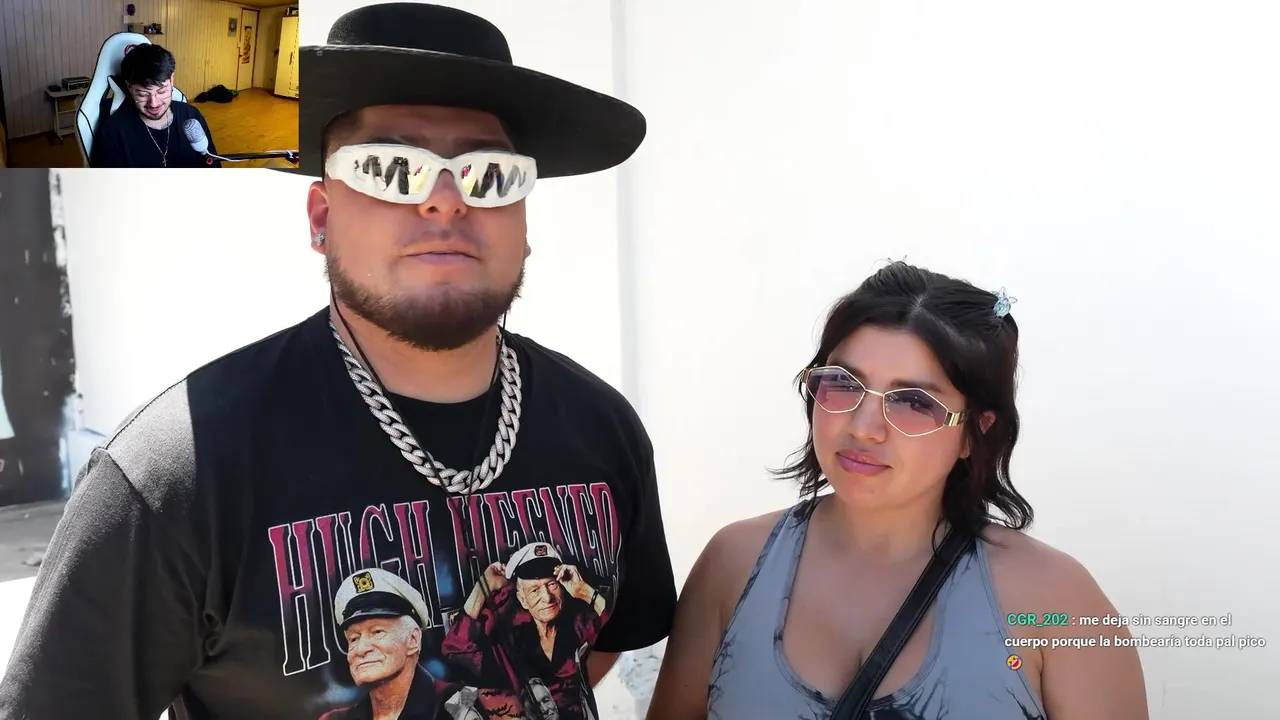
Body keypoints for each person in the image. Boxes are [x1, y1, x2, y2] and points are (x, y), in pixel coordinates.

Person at [0, 4, 675, 720]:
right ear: (322, 219)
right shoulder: (177, 476)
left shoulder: (602, 428)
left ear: (524, 222)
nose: (446, 201)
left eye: (490, 174)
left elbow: (591, 650)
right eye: (391, 169)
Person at [646, 262, 1149, 719]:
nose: (863, 427)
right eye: (844, 383)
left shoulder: (1054, 598)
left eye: (914, 401)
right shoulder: (734, 565)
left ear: (975, 432)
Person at [90, 43, 222, 167]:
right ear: (129, 87)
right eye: (142, 94)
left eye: (161, 91)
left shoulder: (191, 115)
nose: (154, 103)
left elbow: (212, 167)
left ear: (171, 80)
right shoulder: (113, 131)